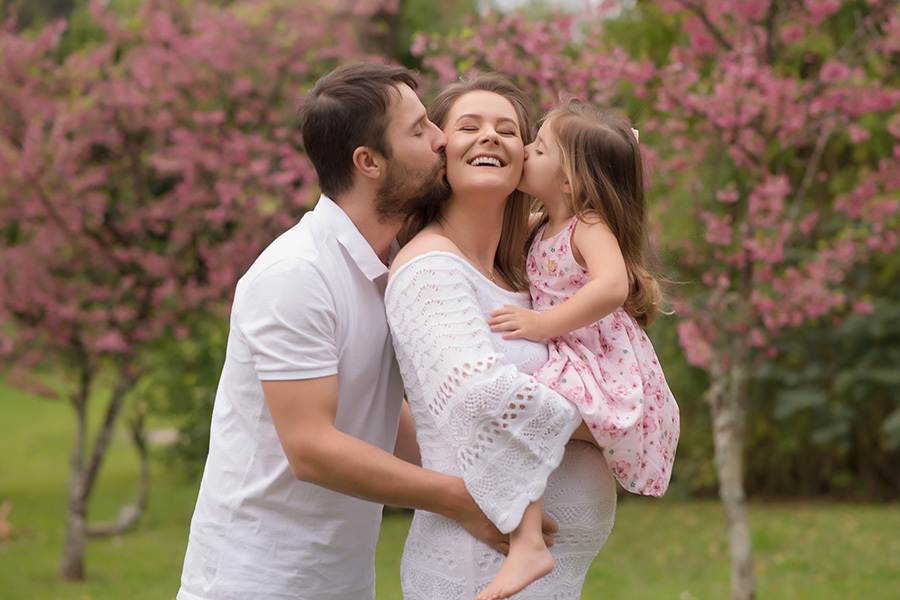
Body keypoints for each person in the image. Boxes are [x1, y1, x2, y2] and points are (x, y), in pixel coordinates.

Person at [176, 63, 511, 600]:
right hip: (256, 582)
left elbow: (375, 410)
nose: (441, 139)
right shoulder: (296, 274)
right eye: (420, 129)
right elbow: (312, 447)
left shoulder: (397, 262)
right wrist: (458, 498)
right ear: (369, 162)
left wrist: (498, 474)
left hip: (342, 582)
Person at [385, 72, 617, 600]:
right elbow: (480, 395)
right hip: (477, 569)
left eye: (508, 130)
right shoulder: (430, 268)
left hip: (552, 578)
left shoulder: (527, 276)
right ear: (439, 153)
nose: (490, 136)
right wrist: (616, 418)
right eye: (469, 126)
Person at [482, 99, 680, 599]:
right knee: (521, 412)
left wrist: (542, 324)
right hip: (569, 350)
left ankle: (527, 541)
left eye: (538, 146)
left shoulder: (586, 227)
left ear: (569, 181)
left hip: (596, 358)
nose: (525, 149)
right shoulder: (538, 223)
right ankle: (525, 531)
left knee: (523, 408)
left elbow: (612, 286)